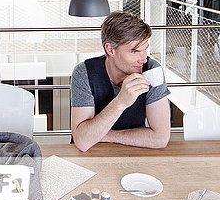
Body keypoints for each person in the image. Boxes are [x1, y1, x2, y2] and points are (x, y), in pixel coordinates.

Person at [71, 11, 171, 152]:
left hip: (133, 153)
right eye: (135, 51)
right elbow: (82, 141)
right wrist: (120, 103)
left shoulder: (151, 70)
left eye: (145, 50)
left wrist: (104, 135)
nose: (143, 59)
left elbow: (160, 138)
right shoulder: (84, 72)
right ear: (111, 49)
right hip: (89, 157)